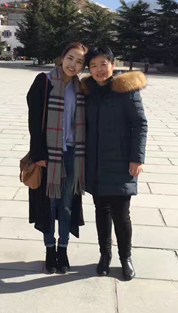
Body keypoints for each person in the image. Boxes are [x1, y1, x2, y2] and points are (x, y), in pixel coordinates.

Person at [81, 46, 148, 281]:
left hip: (120, 161)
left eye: (103, 64)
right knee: (101, 211)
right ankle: (105, 255)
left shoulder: (125, 89)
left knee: (121, 214)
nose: (99, 70)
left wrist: (137, 158)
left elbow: (140, 124)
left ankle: (125, 257)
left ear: (112, 64)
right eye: (93, 66)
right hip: (95, 161)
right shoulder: (87, 91)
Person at [26, 42, 88, 274]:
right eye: (70, 58)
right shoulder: (44, 81)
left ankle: (63, 249)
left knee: (67, 204)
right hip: (49, 155)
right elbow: (34, 121)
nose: (73, 64)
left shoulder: (82, 88)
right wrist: (38, 154)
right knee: (49, 205)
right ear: (62, 58)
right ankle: (49, 249)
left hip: (73, 154)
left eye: (79, 61)